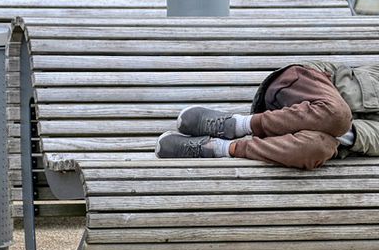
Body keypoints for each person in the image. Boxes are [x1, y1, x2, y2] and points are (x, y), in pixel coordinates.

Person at [155, 61, 379, 170]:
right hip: (300, 86)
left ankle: (218, 148)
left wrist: (326, 128)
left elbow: (360, 136)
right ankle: (237, 124)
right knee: (338, 115)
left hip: (304, 131)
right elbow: (339, 103)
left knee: (319, 149)